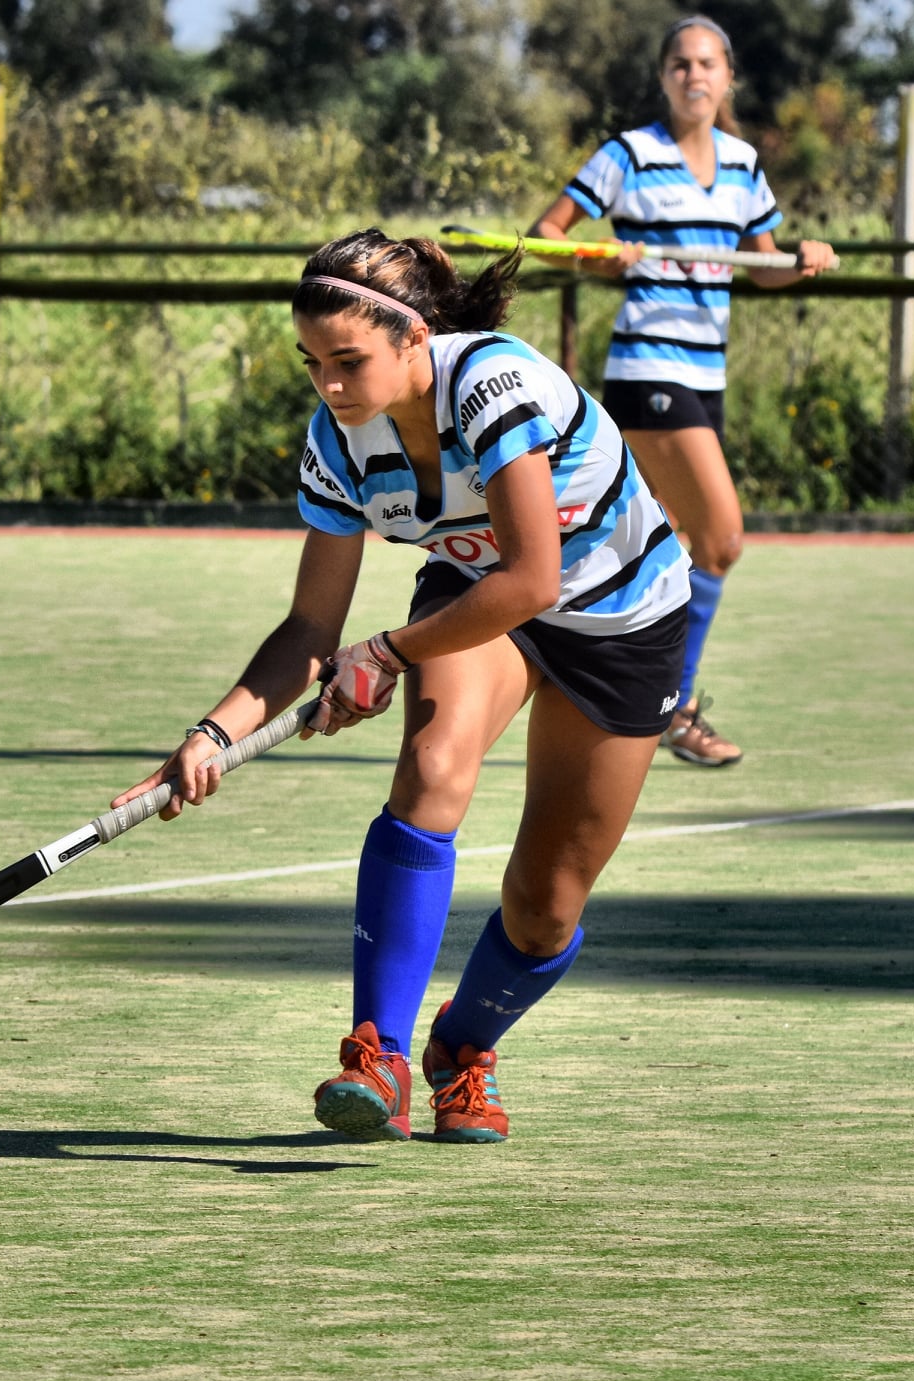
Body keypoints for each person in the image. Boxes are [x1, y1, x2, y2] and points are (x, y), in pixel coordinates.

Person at [110, 228, 692, 1145]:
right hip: (474, 588)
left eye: (348, 362)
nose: (329, 388)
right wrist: (211, 736)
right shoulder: (337, 446)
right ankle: (374, 1057)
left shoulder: (490, 383)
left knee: (545, 909)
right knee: (430, 768)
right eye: (311, 365)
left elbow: (534, 580)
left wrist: (383, 655)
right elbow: (310, 628)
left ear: (415, 339)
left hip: (618, 620)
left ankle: (461, 1051)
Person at [528, 13, 834, 768]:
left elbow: (762, 264)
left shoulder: (742, 163)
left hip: (707, 373)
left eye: (706, 65)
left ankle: (598, 678)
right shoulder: (627, 155)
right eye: (679, 65)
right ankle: (674, 704)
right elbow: (550, 232)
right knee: (722, 538)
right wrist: (606, 258)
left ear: (727, 79)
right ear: (663, 78)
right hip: (648, 371)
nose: (693, 76)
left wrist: (803, 258)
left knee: (667, 548)